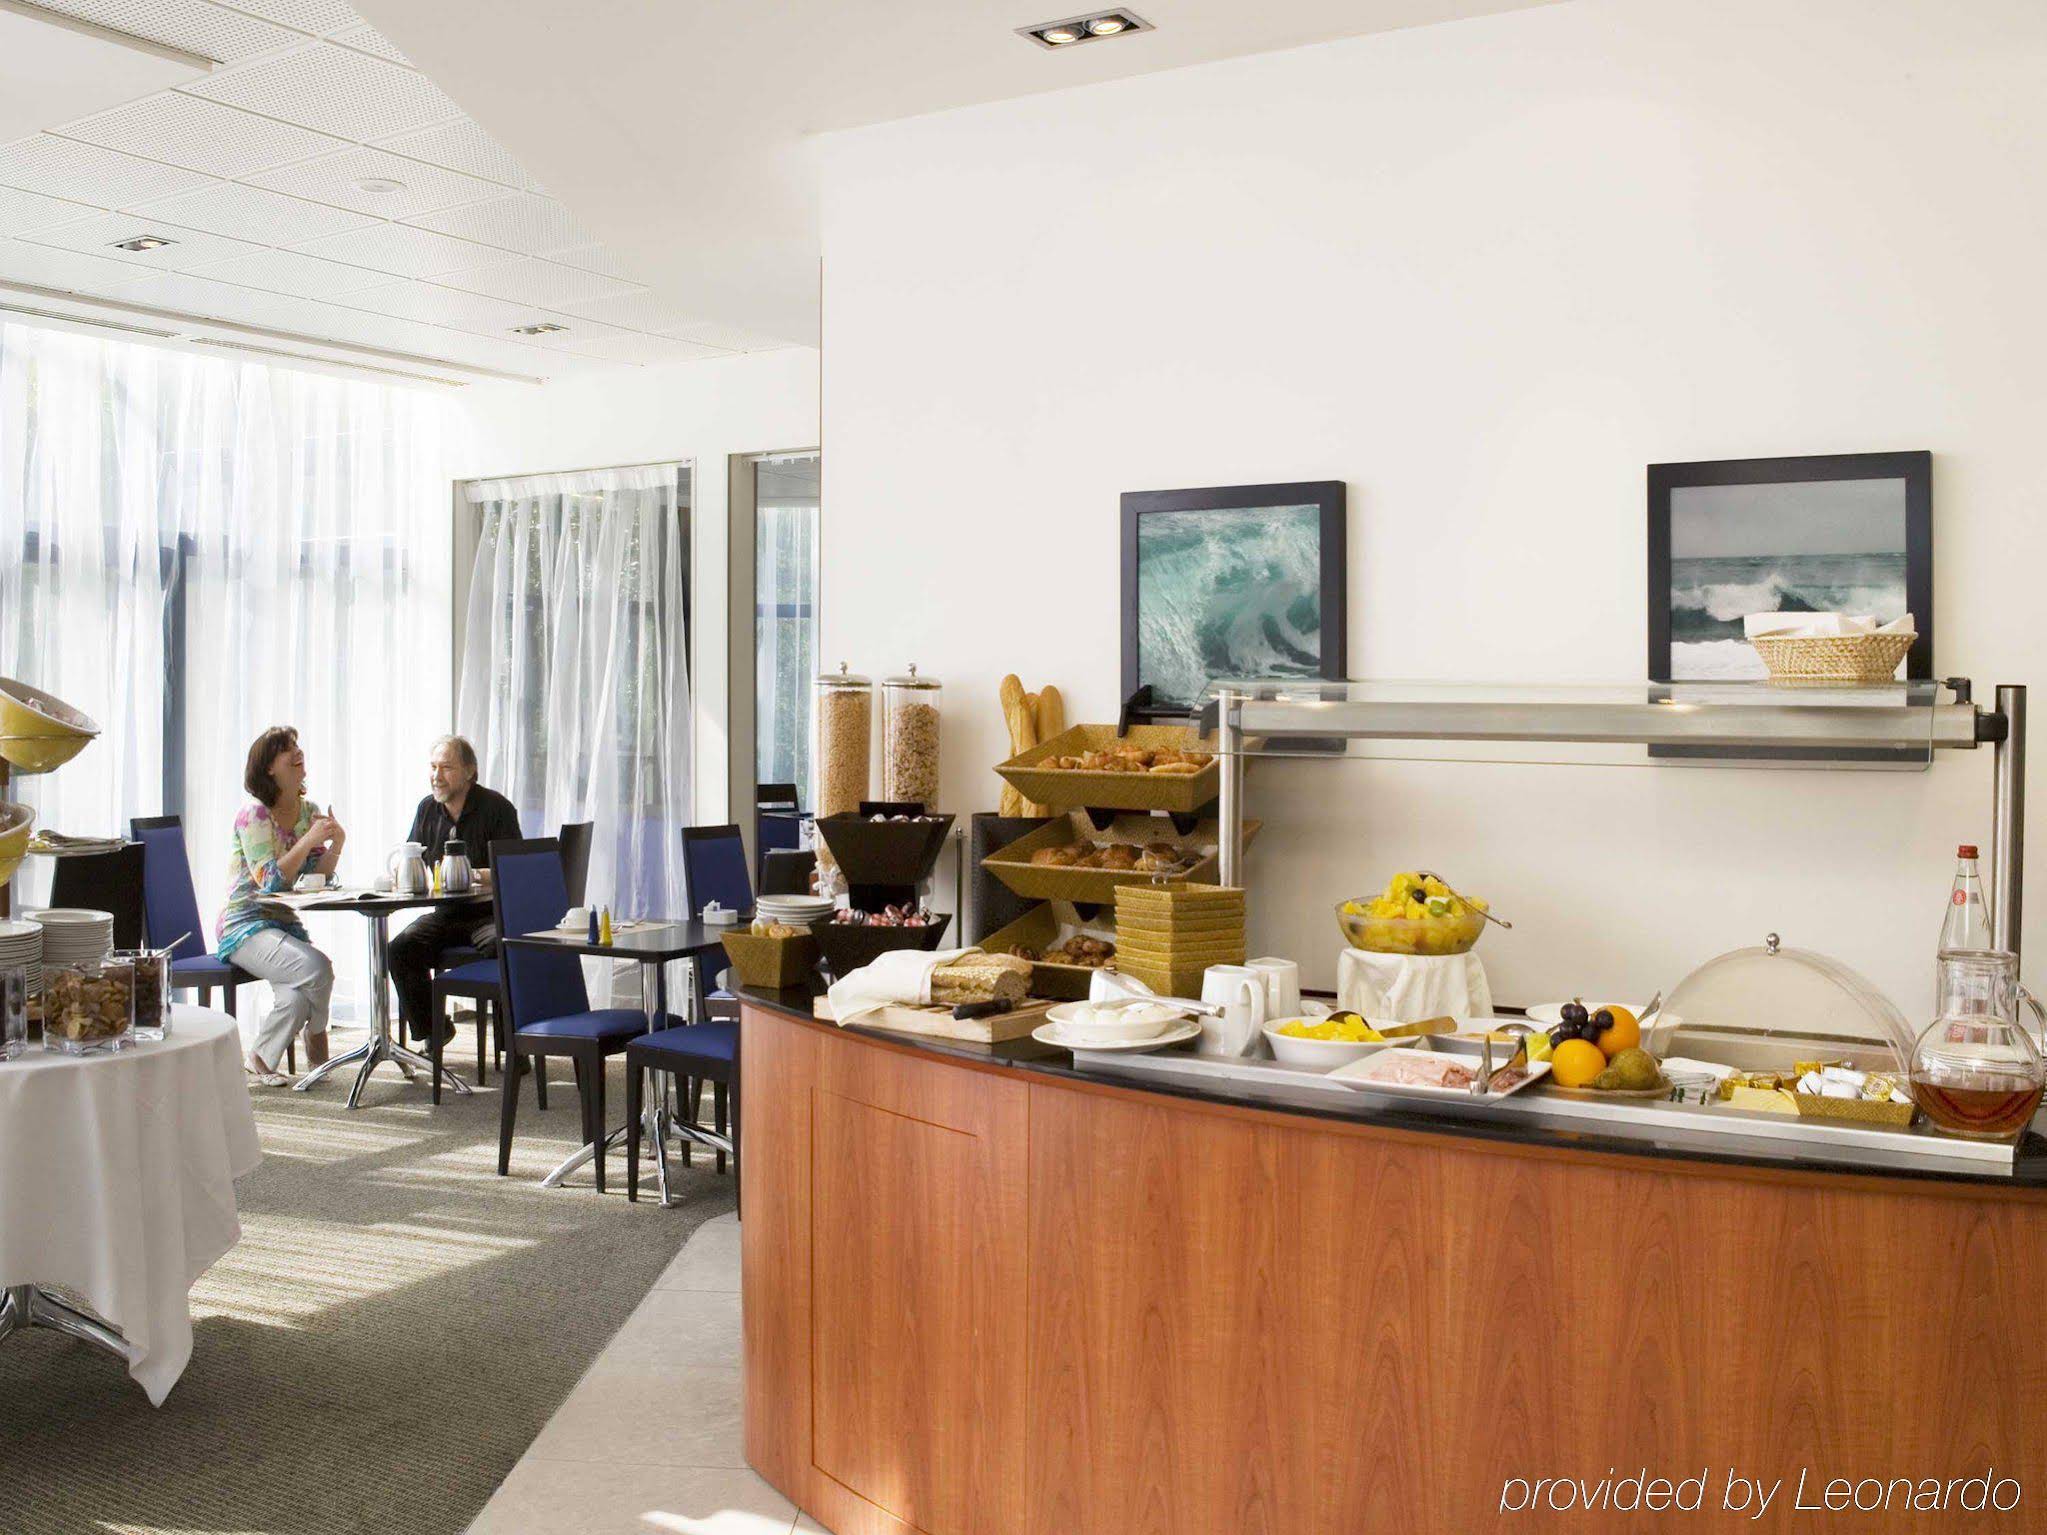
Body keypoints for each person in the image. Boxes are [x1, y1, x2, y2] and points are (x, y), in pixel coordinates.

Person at [219, 726, 342, 1086]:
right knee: (318, 968)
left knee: (297, 999)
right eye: (287, 748)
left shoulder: (308, 812)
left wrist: (336, 844)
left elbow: (316, 877)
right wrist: (309, 839)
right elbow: (269, 881)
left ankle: (259, 1057)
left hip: (283, 923)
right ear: (269, 767)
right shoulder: (254, 814)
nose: (297, 752)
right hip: (243, 925)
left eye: (297, 746)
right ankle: (317, 1045)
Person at [388, 734, 522, 1046]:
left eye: (446, 768)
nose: (437, 775)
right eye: (433, 767)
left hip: (490, 914)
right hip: (446, 916)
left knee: (505, 947)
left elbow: (514, 868)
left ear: (469, 771)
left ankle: (514, 1049)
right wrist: (401, 872)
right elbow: (413, 856)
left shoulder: (496, 808)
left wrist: (471, 875)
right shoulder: (427, 809)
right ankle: (435, 1030)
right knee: (400, 949)